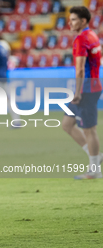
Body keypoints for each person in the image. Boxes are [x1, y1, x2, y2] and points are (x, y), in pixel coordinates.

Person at [62, 6, 103, 179]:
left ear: (83, 21)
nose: (69, 22)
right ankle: (96, 157)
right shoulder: (92, 35)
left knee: (89, 130)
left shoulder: (81, 39)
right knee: (67, 124)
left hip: (86, 89)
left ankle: (94, 170)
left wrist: (77, 93)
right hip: (91, 86)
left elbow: (79, 69)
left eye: (73, 19)